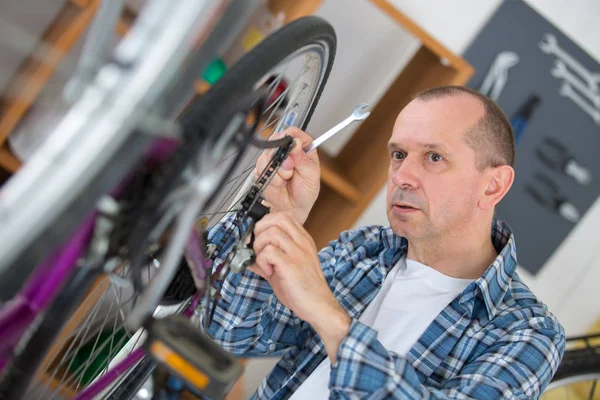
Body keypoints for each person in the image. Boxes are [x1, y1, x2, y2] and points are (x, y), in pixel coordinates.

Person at [206, 85, 565, 399]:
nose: (402, 176)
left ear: (493, 186)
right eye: (398, 155)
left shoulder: (528, 333)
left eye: (434, 157)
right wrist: (277, 216)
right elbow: (232, 335)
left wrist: (329, 317)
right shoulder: (364, 250)